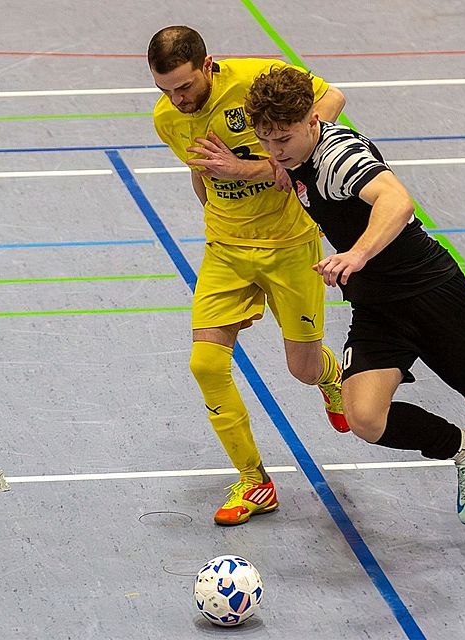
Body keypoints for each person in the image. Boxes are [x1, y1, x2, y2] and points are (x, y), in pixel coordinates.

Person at [244, 65, 465, 538]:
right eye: (266, 141)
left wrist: (356, 253)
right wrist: (277, 160)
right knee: (365, 418)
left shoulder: (338, 159)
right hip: (377, 305)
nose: (275, 151)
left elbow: (397, 202)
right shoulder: (298, 152)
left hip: (430, 292)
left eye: (283, 141)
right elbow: (334, 99)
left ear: (312, 122)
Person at [147, 27, 348, 526]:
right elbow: (202, 173)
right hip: (227, 249)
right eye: (165, 90)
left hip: (289, 245)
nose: (178, 99)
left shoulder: (257, 79)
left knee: (300, 368)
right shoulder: (168, 118)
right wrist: (219, 212)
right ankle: (254, 481)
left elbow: (333, 97)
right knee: (206, 366)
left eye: (185, 87)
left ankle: (330, 376)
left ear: (208, 64)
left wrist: (289, 156)